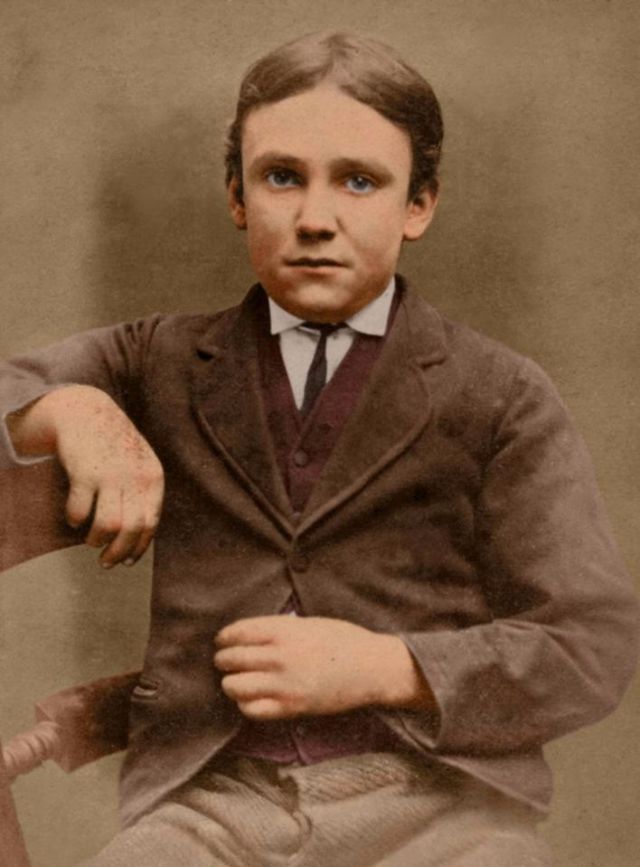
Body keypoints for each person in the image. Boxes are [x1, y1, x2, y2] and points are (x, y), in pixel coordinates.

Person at [1, 31, 637, 867]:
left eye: (359, 181)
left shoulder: (502, 394)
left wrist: (389, 666)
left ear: (419, 205)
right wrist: (74, 409)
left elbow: (592, 643)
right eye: (281, 177)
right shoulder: (159, 359)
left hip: (441, 808)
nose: (314, 219)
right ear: (237, 196)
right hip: (210, 807)